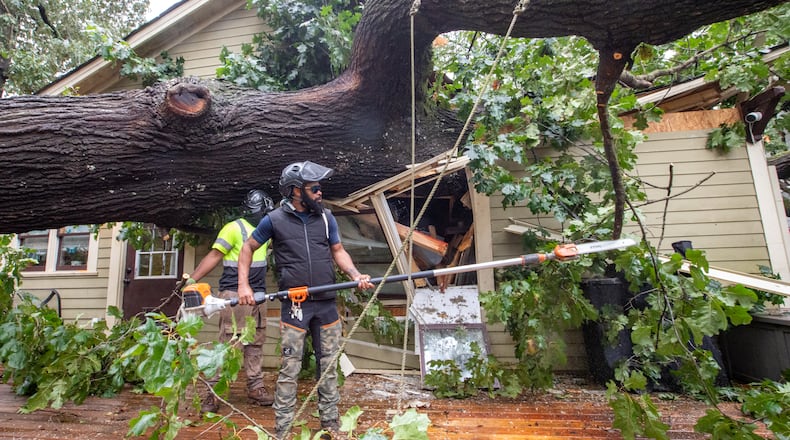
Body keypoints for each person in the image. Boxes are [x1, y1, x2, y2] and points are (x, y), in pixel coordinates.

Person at [237, 161, 374, 439]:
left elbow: (338, 250)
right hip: (296, 305)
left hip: (326, 303)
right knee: (290, 369)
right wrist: (243, 286)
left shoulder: (325, 217)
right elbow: (247, 248)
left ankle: (331, 425)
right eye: (314, 188)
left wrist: (356, 274)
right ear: (295, 191)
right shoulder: (274, 220)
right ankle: (284, 429)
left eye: (319, 187)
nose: (320, 192)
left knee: (328, 365)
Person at [186, 189, 276, 413]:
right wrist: (192, 279)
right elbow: (214, 255)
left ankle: (255, 386)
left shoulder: (265, 230)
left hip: (259, 294)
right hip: (234, 294)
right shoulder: (233, 228)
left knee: (256, 340)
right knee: (228, 343)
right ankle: (213, 393)